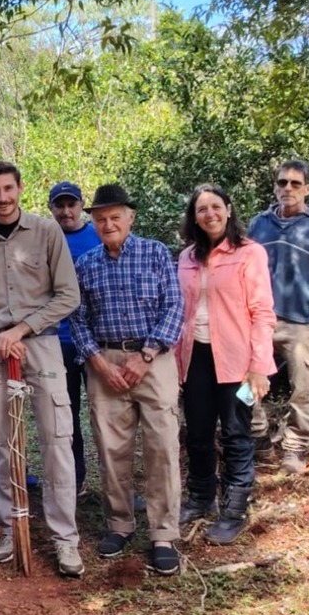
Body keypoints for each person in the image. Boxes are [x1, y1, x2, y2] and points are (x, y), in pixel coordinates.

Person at [0, 161, 85, 577]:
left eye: (8, 189)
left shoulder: (46, 232)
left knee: (56, 440)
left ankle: (65, 538)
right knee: (4, 441)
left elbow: (68, 295)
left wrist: (22, 329)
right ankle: (12, 528)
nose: (2, 198)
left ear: (20, 189)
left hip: (41, 346)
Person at [70, 184, 184, 576]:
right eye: (100, 219)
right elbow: (78, 319)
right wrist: (98, 362)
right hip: (104, 362)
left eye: (115, 217)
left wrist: (146, 354)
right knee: (110, 448)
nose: (108, 224)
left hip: (153, 360)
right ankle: (119, 524)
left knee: (162, 446)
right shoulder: (86, 263)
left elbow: (174, 306)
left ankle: (163, 534)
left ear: (130, 217)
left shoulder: (155, 253)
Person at [176, 185, 276, 545]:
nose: (210, 214)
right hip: (196, 359)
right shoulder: (187, 256)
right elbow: (179, 312)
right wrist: (175, 365)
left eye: (215, 206)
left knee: (236, 433)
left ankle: (235, 508)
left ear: (228, 210)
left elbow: (262, 312)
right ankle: (201, 496)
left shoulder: (250, 253)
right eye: (201, 209)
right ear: (194, 217)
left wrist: (259, 366)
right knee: (198, 433)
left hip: (238, 362)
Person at [247, 160, 309, 475]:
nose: (287, 188)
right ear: (275, 186)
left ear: (307, 189)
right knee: (245, 384)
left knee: (303, 388)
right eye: (282, 182)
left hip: (300, 323)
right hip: (259, 321)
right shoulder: (259, 225)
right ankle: (258, 438)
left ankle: (294, 447)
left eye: (295, 183)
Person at [47, 181, 102, 495]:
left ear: (82, 206)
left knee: (106, 415)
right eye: (60, 205)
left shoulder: (98, 235)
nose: (66, 211)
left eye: (72, 204)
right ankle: (75, 480)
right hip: (60, 341)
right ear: (51, 208)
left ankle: (116, 484)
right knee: (66, 415)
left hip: (97, 343)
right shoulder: (45, 238)